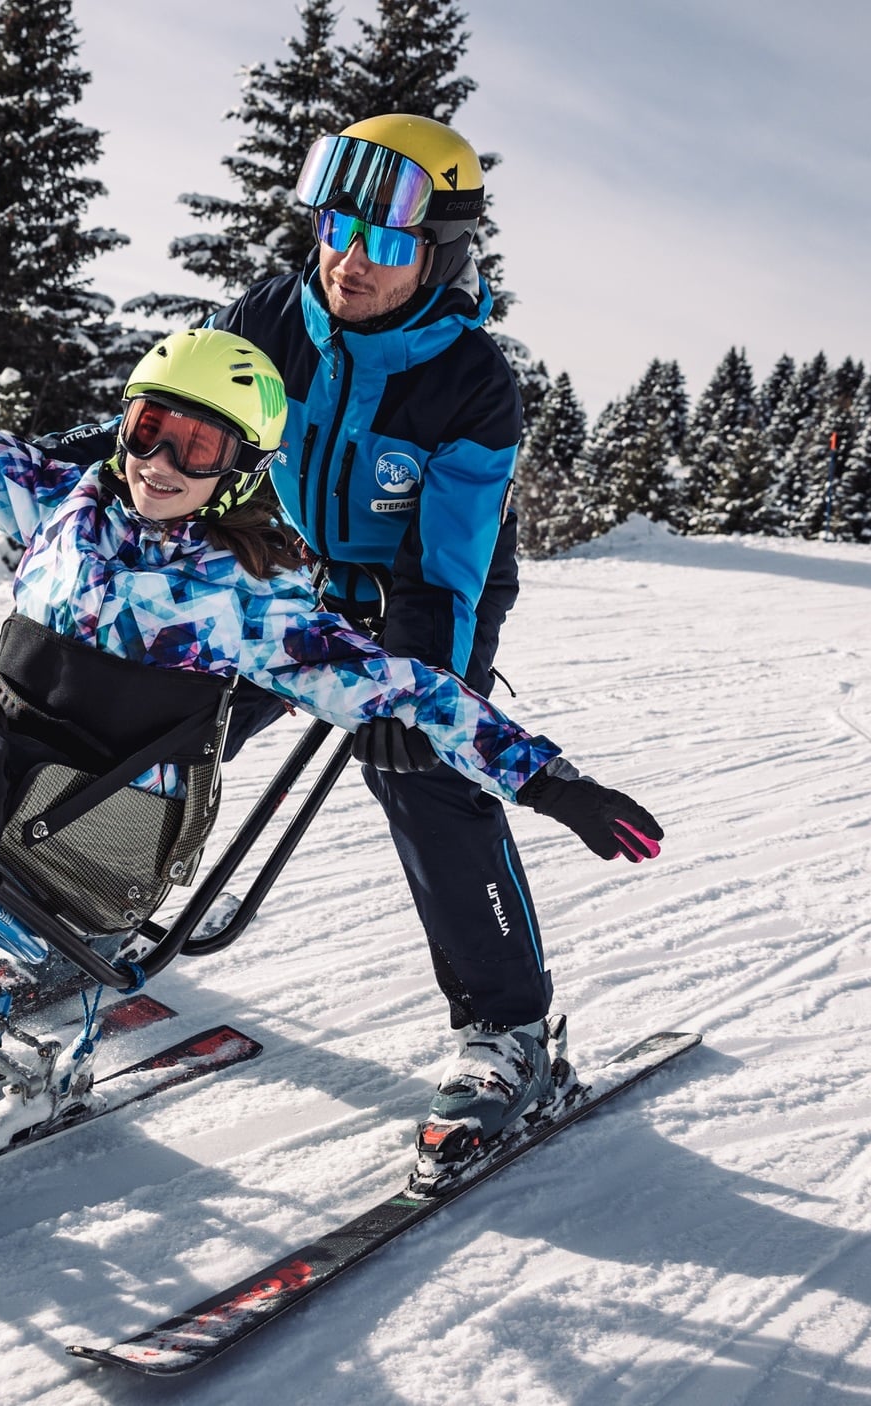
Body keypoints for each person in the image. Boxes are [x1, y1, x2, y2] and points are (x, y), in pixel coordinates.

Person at [0, 311, 661, 1165]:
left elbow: (435, 626)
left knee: (417, 774)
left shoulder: (453, 391)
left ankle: (503, 1025)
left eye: (195, 448)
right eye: (147, 433)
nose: (160, 459)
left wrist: (549, 780)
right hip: (9, 763)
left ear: (241, 466)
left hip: (363, 607)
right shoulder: (106, 475)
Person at [192, 113, 660, 1147]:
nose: (350, 262)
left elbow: (446, 562)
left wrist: (419, 684)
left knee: (422, 767)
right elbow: (188, 419)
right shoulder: (274, 311)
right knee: (169, 712)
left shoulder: (469, 380)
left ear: (437, 256)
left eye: (388, 244)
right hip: (302, 570)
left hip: (428, 594)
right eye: (336, 229)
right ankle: (89, 906)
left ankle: (507, 1025)